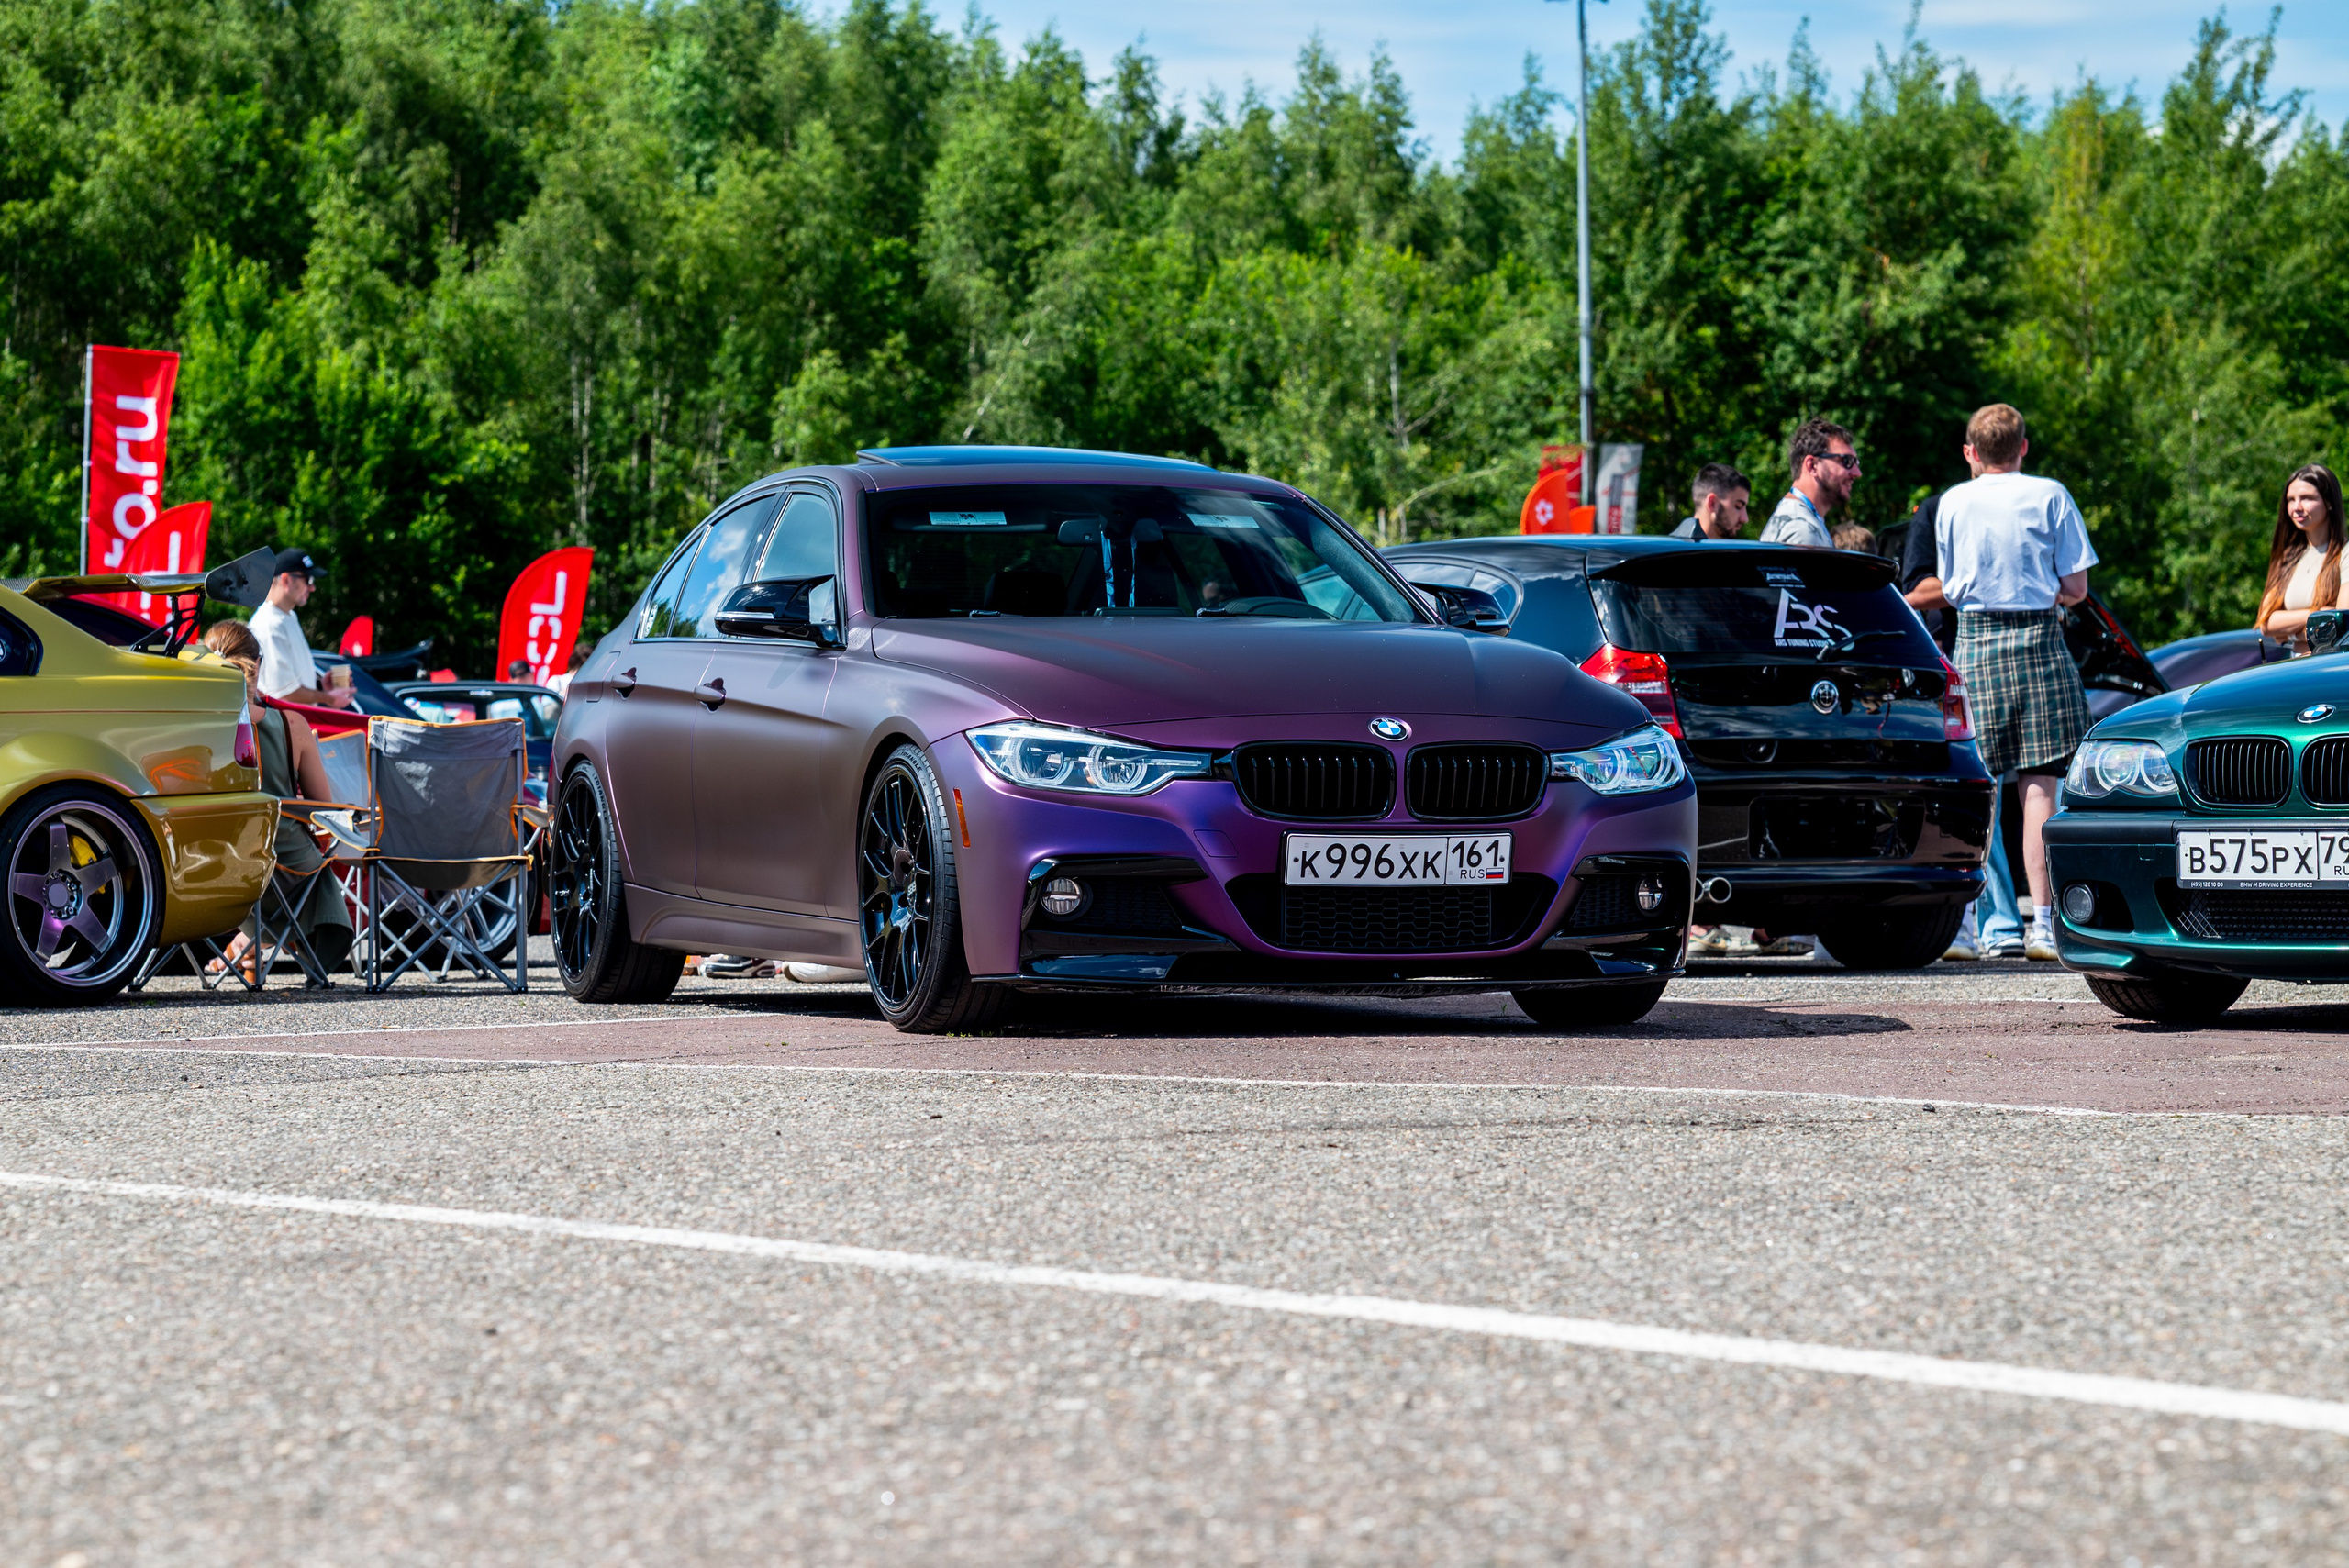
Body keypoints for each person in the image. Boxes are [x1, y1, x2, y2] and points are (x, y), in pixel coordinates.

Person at [1907, 403, 2096, 962]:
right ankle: (2044, 923)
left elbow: (1948, 581)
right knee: (2040, 789)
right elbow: (2078, 587)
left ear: (1971, 451)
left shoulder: (1952, 502)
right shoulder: (2050, 494)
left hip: (1978, 641)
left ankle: (1990, 926)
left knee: (1980, 786)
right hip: (2039, 638)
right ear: (2023, 447)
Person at [201, 620, 355, 978]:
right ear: (260, 664)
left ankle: (247, 943)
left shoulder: (194, 728)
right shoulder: (292, 726)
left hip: (214, 866)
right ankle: (254, 945)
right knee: (308, 872)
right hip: (289, 867)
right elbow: (322, 808)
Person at [2254, 463, 2346, 652]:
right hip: (2294, 666)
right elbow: (2267, 623)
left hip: (2329, 669)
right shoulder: (2288, 557)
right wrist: (2316, 613)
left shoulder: (2345, 553)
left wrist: (2286, 631)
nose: (2296, 507)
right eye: (2290, 500)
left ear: (2329, 502)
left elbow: (2342, 625)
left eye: (2306, 498)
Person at [248, 548, 352, 709]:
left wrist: (319, 685)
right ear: (286, 580)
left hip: (294, 726)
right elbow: (283, 692)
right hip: (285, 730)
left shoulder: (287, 616)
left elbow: (289, 683)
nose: (312, 588)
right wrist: (329, 698)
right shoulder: (269, 624)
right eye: (308, 580)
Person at [1757, 418, 1859, 549]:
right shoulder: (1802, 531)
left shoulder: (1801, 518)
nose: (1857, 473)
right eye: (1847, 461)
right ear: (1812, 466)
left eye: (1856, 462)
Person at [1669, 464, 1752, 540]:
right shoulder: (1674, 554)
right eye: (1738, 506)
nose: (1745, 519)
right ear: (1712, 503)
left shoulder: (1669, 551)